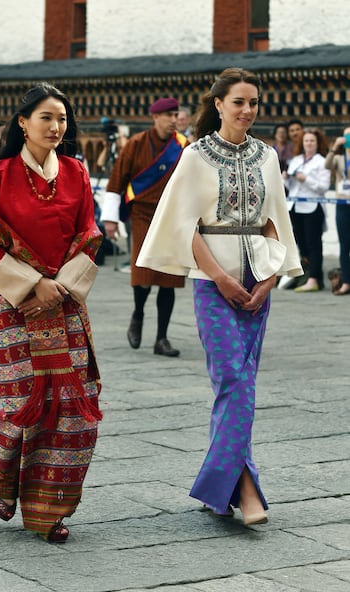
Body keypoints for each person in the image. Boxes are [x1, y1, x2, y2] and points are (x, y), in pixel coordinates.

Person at [137, 68, 302, 525]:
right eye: (238, 102)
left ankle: (221, 488)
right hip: (214, 280)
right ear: (218, 105)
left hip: (258, 275)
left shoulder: (267, 156)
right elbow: (182, 225)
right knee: (232, 378)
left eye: (253, 103)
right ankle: (245, 488)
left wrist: (269, 278)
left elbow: (276, 222)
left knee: (243, 382)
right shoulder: (195, 157)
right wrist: (220, 278)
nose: (247, 111)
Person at [0, 82, 103, 543]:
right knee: (23, 404)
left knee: (74, 410)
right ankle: (6, 477)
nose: (56, 126)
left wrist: (60, 285)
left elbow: (89, 234)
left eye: (62, 118)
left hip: (65, 303)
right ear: (23, 123)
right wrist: (34, 284)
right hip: (16, 305)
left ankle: (51, 510)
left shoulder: (76, 172)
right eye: (46, 117)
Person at [100, 97, 188, 357]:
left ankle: (162, 338)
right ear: (155, 117)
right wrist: (110, 219)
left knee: (169, 279)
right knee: (144, 274)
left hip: (172, 218)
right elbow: (116, 182)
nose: (174, 120)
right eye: (169, 115)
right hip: (142, 215)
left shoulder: (185, 147)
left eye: (176, 115)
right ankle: (138, 314)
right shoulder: (135, 145)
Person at [284, 128, 331, 292]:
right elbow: (290, 186)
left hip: (312, 207)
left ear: (317, 144)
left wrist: (306, 179)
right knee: (301, 243)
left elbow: (323, 187)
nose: (309, 144)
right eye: (306, 141)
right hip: (295, 206)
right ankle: (311, 275)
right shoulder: (296, 160)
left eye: (312, 141)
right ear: (302, 143)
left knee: (314, 244)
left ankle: (313, 279)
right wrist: (285, 179)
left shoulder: (322, 161)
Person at [325, 126, 350, 295]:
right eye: (347, 136)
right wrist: (334, 147)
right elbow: (327, 165)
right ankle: (346, 281)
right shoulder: (339, 157)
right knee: (344, 244)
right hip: (342, 202)